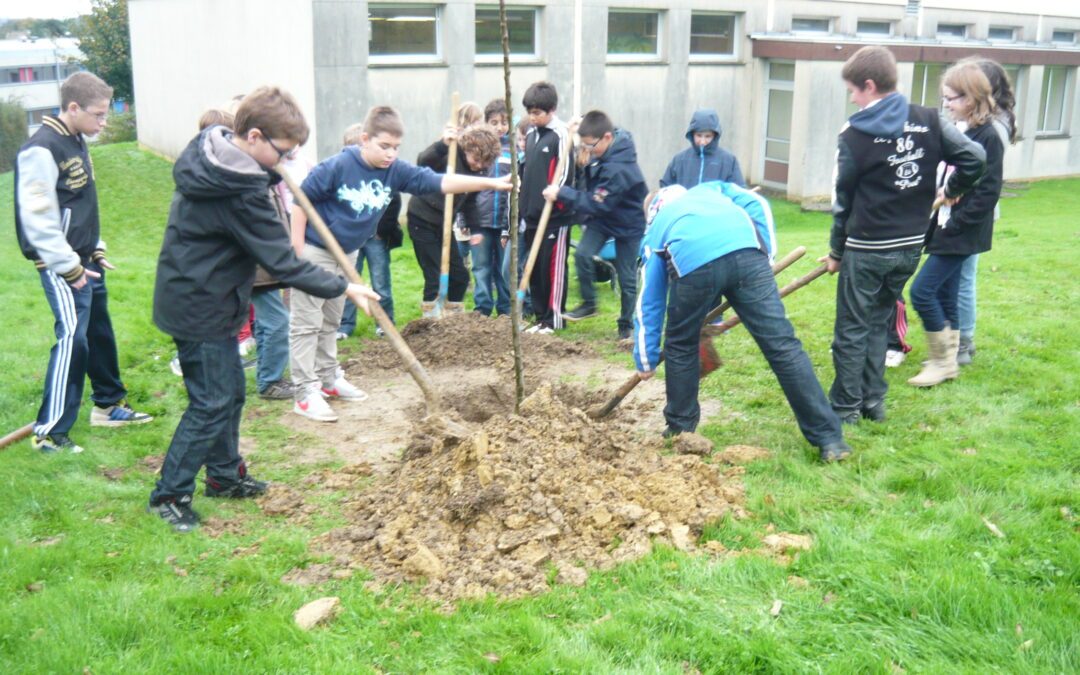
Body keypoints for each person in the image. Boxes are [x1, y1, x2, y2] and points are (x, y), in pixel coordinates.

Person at [149, 86, 380, 532]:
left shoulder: (217, 154)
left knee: (230, 394)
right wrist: (345, 287)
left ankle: (224, 476)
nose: (288, 162)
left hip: (211, 295)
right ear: (253, 136)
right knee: (211, 401)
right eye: (284, 152)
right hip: (199, 303)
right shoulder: (236, 188)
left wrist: (272, 172)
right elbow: (282, 262)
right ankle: (169, 495)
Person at [288, 106, 509, 423]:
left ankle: (327, 378)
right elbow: (300, 200)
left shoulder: (393, 171)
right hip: (316, 249)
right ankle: (305, 392)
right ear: (365, 139)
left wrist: (490, 184)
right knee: (307, 322)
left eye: (396, 147)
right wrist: (297, 252)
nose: (391, 153)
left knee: (330, 320)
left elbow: (437, 182)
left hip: (347, 252)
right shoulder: (338, 166)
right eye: (384, 146)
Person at [823, 46, 985, 424]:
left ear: (869, 85)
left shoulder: (854, 132)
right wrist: (954, 188)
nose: (852, 98)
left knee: (851, 329)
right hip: (910, 246)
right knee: (879, 321)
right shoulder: (929, 119)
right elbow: (974, 157)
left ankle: (845, 409)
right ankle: (873, 403)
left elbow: (842, 200)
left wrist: (836, 250)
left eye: (853, 90)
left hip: (866, 247)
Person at [635, 184, 852, 462]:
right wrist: (767, 256)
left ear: (653, 212)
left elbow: (650, 300)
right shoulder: (710, 191)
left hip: (696, 263)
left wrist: (645, 357)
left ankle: (680, 428)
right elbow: (756, 201)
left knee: (681, 343)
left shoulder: (656, 228)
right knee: (783, 347)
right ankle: (831, 440)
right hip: (749, 251)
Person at [14, 71, 153, 454]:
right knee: (72, 339)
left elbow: (79, 205)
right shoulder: (41, 149)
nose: (104, 122)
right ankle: (50, 433)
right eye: (98, 114)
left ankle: (108, 406)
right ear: (73, 107)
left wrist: (97, 247)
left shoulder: (75, 139)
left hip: (86, 259)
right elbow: (39, 220)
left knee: (99, 334)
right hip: (60, 266)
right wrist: (70, 267)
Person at [908, 61, 1005, 387]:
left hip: (961, 232)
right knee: (946, 293)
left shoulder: (988, 136)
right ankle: (946, 361)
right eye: (945, 97)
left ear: (972, 98)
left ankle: (941, 360)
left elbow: (987, 192)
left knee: (921, 292)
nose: (946, 104)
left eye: (952, 98)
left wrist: (956, 225)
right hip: (944, 226)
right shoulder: (960, 131)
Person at [547, 110, 646, 341]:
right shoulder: (602, 149)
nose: (587, 151)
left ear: (608, 138)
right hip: (603, 220)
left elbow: (596, 202)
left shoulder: (619, 169)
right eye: (585, 146)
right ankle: (589, 304)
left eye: (591, 146)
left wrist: (562, 193)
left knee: (627, 278)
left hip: (627, 225)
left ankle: (625, 324)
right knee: (582, 254)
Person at [955, 57, 1018, 366]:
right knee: (960, 276)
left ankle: (963, 340)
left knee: (964, 276)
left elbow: (985, 178)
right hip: (964, 207)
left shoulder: (992, 127)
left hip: (974, 210)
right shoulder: (987, 122)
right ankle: (959, 338)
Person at [406, 125, 501, 317]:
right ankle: (431, 322)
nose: (478, 166)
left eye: (484, 164)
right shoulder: (450, 153)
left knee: (459, 276)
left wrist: (475, 229)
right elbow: (423, 161)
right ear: (468, 149)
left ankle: (453, 322)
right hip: (422, 221)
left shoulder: (477, 172)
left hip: (443, 225)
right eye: (476, 160)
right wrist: (442, 145)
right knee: (434, 277)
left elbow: (471, 202)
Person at [519, 81, 575, 334]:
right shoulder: (531, 136)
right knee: (535, 268)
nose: (532, 117)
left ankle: (554, 317)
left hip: (554, 217)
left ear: (551, 109)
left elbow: (564, 175)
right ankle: (541, 317)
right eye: (530, 112)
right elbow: (529, 173)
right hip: (531, 215)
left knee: (551, 266)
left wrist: (554, 199)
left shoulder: (562, 135)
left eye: (537, 113)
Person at [337, 123, 402, 338]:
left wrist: (382, 230)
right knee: (349, 281)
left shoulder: (382, 174)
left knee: (380, 281)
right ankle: (345, 326)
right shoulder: (341, 172)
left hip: (375, 237)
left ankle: (385, 323)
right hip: (351, 238)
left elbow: (393, 202)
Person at [467, 99, 514, 317]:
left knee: (503, 270)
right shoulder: (478, 149)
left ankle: (505, 310)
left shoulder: (514, 150)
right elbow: (467, 187)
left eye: (504, 122)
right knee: (481, 266)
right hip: (481, 220)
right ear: (486, 123)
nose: (499, 127)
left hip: (505, 221)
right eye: (494, 122)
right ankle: (482, 309)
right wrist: (465, 221)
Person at [660, 108, 744, 189]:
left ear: (715, 136)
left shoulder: (729, 161)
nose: (702, 141)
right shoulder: (679, 160)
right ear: (692, 134)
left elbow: (738, 193)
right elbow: (665, 189)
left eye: (708, 136)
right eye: (699, 135)